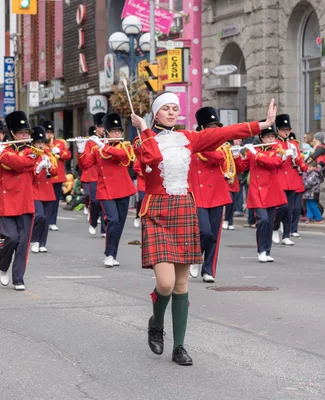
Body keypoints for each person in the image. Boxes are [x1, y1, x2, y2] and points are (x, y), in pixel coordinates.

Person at [130, 92, 276, 366]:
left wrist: (262, 125)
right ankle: (156, 322)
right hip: (157, 212)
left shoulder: (189, 138)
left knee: (181, 284)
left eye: (176, 109)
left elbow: (223, 133)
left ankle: (180, 347)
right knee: (165, 283)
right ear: (156, 113)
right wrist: (143, 128)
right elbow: (149, 159)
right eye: (167, 109)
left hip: (184, 208)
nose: (172, 113)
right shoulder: (143, 138)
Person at [0, 111, 38, 291]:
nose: (25, 136)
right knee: (10, 238)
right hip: (7, 202)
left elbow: (22, 164)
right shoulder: (3, 151)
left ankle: (18, 278)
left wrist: (1, 152)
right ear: (13, 134)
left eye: (27, 133)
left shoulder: (32, 152)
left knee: (23, 243)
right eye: (22, 133)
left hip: (25, 202)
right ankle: (4, 266)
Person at [77, 113, 136, 267]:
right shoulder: (97, 149)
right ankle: (109, 254)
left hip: (123, 189)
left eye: (119, 131)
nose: (117, 134)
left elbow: (122, 156)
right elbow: (85, 165)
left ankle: (113, 253)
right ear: (107, 133)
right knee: (113, 220)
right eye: (114, 131)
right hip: (106, 190)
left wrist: (105, 146)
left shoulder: (125, 146)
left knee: (119, 224)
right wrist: (81, 150)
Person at [188, 107, 234, 282]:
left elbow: (219, 159)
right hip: (197, 194)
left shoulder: (221, 146)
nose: (214, 130)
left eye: (216, 127)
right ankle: (195, 256)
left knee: (214, 234)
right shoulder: (192, 143)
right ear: (201, 128)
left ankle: (209, 270)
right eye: (210, 127)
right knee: (204, 231)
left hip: (216, 193)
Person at [234, 123, 288, 263]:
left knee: (269, 222)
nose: (270, 139)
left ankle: (267, 250)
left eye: (272, 137)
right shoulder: (253, 151)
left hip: (272, 191)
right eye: (267, 137)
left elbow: (273, 163)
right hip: (257, 191)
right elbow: (241, 167)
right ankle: (261, 250)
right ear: (262, 139)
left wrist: (255, 153)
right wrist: (236, 156)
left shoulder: (278, 150)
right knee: (263, 220)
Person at [272, 115, 308, 246]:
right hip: (280, 179)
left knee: (290, 209)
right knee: (282, 207)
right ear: (278, 130)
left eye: (287, 129)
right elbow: (273, 163)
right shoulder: (275, 144)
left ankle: (286, 235)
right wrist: (282, 156)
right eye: (283, 129)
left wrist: (297, 158)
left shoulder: (293, 144)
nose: (286, 132)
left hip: (291, 180)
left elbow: (299, 162)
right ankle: (275, 228)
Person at [30, 126, 57, 253]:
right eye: (38, 142)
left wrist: (50, 166)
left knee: (46, 219)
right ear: (34, 143)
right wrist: (38, 167)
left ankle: (42, 243)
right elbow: (29, 171)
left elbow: (55, 172)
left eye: (42, 142)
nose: (41, 145)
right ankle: (34, 240)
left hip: (47, 190)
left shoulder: (49, 155)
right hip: (34, 189)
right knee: (39, 215)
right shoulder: (30, 155)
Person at [43, 120, 71, 232]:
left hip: (58, 176)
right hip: (46, 176)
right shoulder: (41, 144)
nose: (49, 135)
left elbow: (68, 156)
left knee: (55, 201)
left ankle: (52, 221)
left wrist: (60, 152)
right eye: (47, 132)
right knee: (46, 200)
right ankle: (45, 219)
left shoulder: (60, 143)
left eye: (51, 132)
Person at [81, 114, 106, 236]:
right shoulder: (91, 141)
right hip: (94, 175)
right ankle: (93, 222)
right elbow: (86, 160)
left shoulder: (109, 139)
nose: (103, 129)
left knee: (105, 202)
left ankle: (104, 229)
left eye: (104, 127)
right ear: (96, 127)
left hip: (106, 175)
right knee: (95, 202)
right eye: (101, 127)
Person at [132, 158, 146, 228]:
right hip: (142, 181)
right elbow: (136, 167)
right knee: (141, 199)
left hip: (153, 181)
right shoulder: (141, 155)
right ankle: (138, 215)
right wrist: (143, 174)